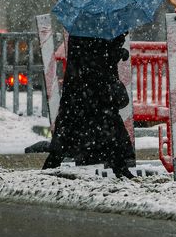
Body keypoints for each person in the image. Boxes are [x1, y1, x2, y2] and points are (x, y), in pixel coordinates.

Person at [43, 34, 136, 178]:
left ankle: (49, 167)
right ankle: (121, 169)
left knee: (69, 131)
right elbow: (99, 57)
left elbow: (91, 55)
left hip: (80, 92)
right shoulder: (98, 30)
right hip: (96, 91)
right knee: (109, 130)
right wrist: (116, 52)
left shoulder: (80, 30)